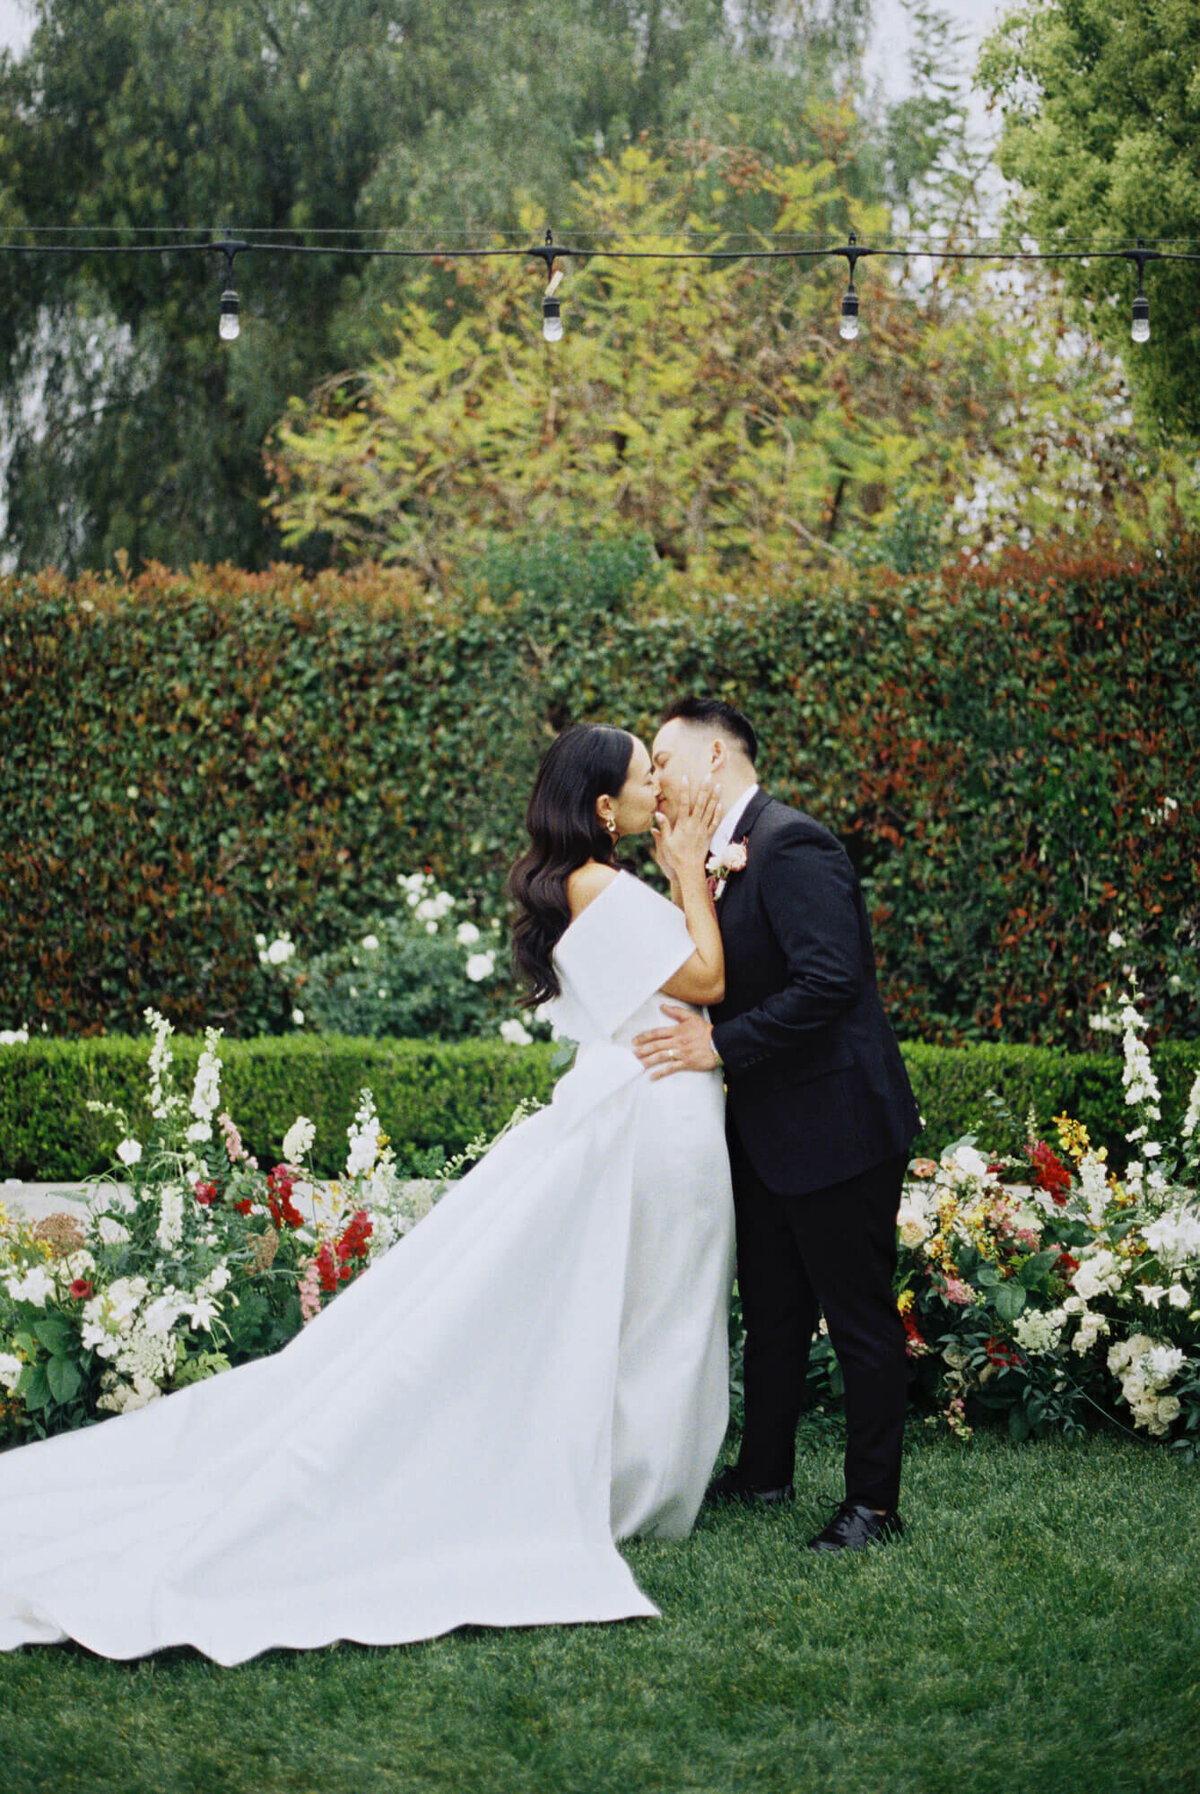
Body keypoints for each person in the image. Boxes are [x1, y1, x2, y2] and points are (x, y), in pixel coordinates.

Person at [0, 725, 734, 1664]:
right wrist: (683, 870)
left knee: (620, 1306)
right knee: (646, 1307)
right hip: (648, 1115)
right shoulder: (603, 886)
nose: (656, 792)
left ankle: (624, 1478)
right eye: (643, 780)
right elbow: (706, 977)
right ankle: (628, 1489)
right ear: (604, 810)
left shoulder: (580, 886)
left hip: (641, 1109)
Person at [633, 697, 920, 1553]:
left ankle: (874, 1505)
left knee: (858, 1317)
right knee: (771, 1312)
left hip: (838, 1123)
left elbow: (829, 982)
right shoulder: (708, 859)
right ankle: (764, 1472)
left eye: (663, 760)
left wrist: (717, 1045)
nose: (655, 778)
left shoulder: (796, 843)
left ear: (715, 759)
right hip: (763, 1130)